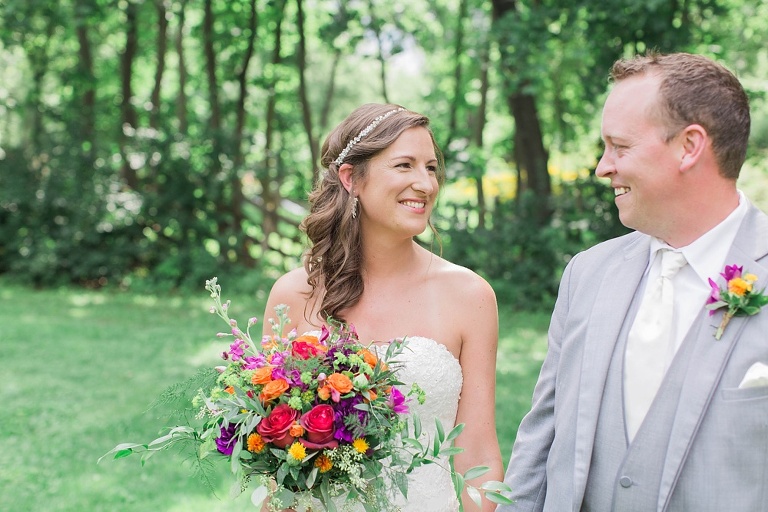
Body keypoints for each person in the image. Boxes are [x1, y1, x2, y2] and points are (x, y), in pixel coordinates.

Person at [498, 52, 768, 511]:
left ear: (689, 146)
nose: (602, 168)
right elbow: (540, 439)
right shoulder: (587, 274)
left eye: (619, 147)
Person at [263, 103, 504, 511]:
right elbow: (276, 461)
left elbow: (478, 453)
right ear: (350, 178)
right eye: (405, 165)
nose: (425, 184)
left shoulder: (470, 296)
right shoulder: (293, 294)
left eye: (431, 168)